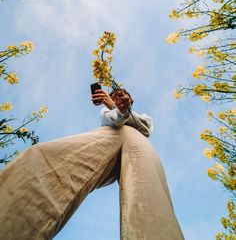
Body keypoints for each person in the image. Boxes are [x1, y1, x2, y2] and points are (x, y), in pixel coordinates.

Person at [0, 88, 184, 240]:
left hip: (139, 146)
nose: (117, 97)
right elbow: (112, 121)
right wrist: (117, 109)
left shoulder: (142, 116)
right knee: (44, 156)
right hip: (109, 140)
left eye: (121, 94)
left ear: (131, 97)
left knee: (148, 194)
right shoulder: (106, 113)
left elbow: (145, 128)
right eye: (113, 96)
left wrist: (125, 109)